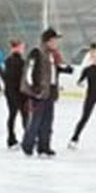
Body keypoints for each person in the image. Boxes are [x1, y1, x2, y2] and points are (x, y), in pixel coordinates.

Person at [22, 27, 70, 158]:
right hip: (39, 93)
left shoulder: (52, 54)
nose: (56, 43)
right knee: (36, 121)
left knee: (48, 122)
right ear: (47, 41)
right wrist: (34, 90)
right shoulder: (36, 53)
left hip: (50, 93)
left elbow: (53, 72)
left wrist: (65, 69)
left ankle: (44, 147)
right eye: (54, 40)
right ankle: (27, 145)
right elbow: (29, 73)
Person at [3, 39, 28, 149]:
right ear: (17, 47)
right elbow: (21, 79)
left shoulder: (7, 61)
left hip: (9, 92)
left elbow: (5, 77)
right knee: (24, 115)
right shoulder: (20, 62)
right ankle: (27, 137)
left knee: (12, 115)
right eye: (22, 47)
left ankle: (11, 138)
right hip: (18, 93)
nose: (23, 49)